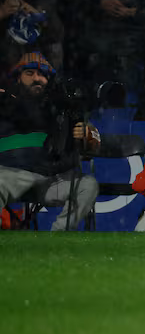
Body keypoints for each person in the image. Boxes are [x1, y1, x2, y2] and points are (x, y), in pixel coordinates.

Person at [0, 51, 101, 231]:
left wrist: (88, 137)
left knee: (87, 185)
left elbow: (91, 146)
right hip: (8, 174)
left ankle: (58, 238)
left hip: (49, 179)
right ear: (17, 78)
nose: (37, 78)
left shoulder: (61, 108)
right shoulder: (4, 102)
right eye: (29, 73)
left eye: (42, 75)